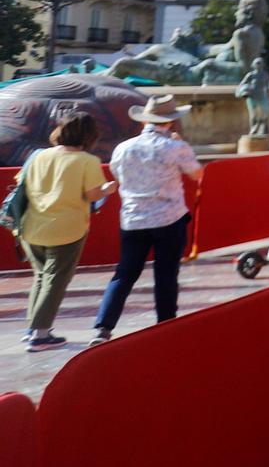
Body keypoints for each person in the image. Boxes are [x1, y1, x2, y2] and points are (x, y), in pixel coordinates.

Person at [91, 95, 204, 344]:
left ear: (145, 121)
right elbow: (197, 174)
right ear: (171, 122)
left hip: (133, 219)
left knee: (124, 274)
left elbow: (117, 174)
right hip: (168, 218)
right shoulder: (175, 147)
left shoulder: (123, 148)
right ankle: (166, 325)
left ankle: (103, 326)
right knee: (166, 274)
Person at [15, 111, 111, 351]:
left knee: (41, 277)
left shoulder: (38, 156)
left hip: (32, 226)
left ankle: (33, 329)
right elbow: (92, 195)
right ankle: (40, 335)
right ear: (90, 136)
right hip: (67, 228)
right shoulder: (87, 161)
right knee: (55, 281)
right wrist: (107, 189)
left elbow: (21, 183)